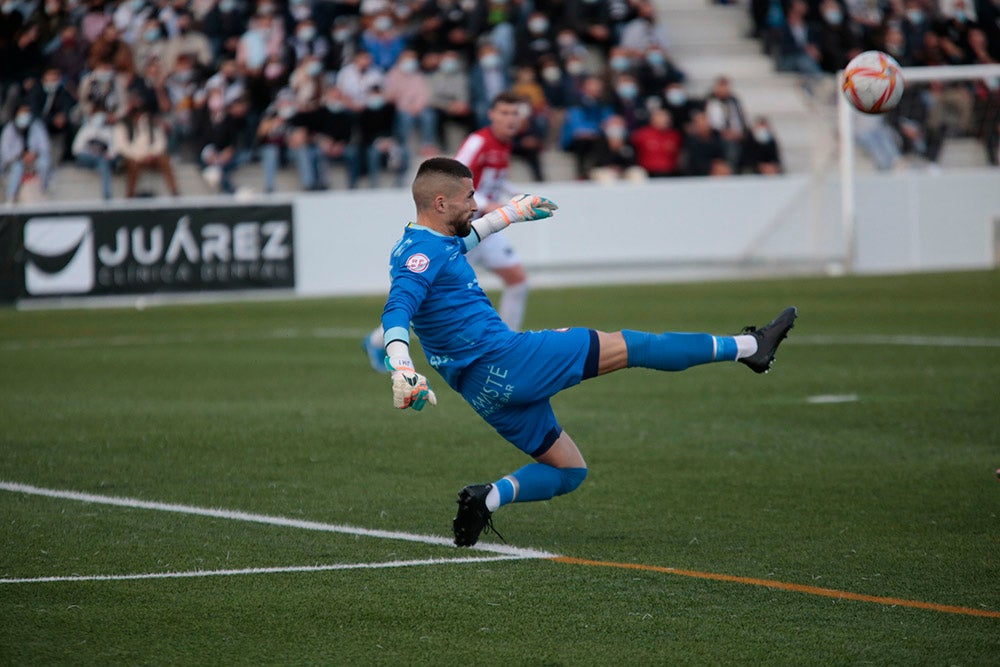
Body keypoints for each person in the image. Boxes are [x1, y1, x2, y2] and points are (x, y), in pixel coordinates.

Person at [377, 156, 798, 547]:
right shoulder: (422, 255)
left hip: (481, 390)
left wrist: (511, 214)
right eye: (469, 196)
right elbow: (397, 309)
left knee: (570, 470)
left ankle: (485, 499)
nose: (475, 202)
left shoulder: (424, 243)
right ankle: (750, 348)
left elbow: (460, 245)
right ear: (440, 201)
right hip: (509, 361)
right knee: (634, 345)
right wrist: (401, 368)